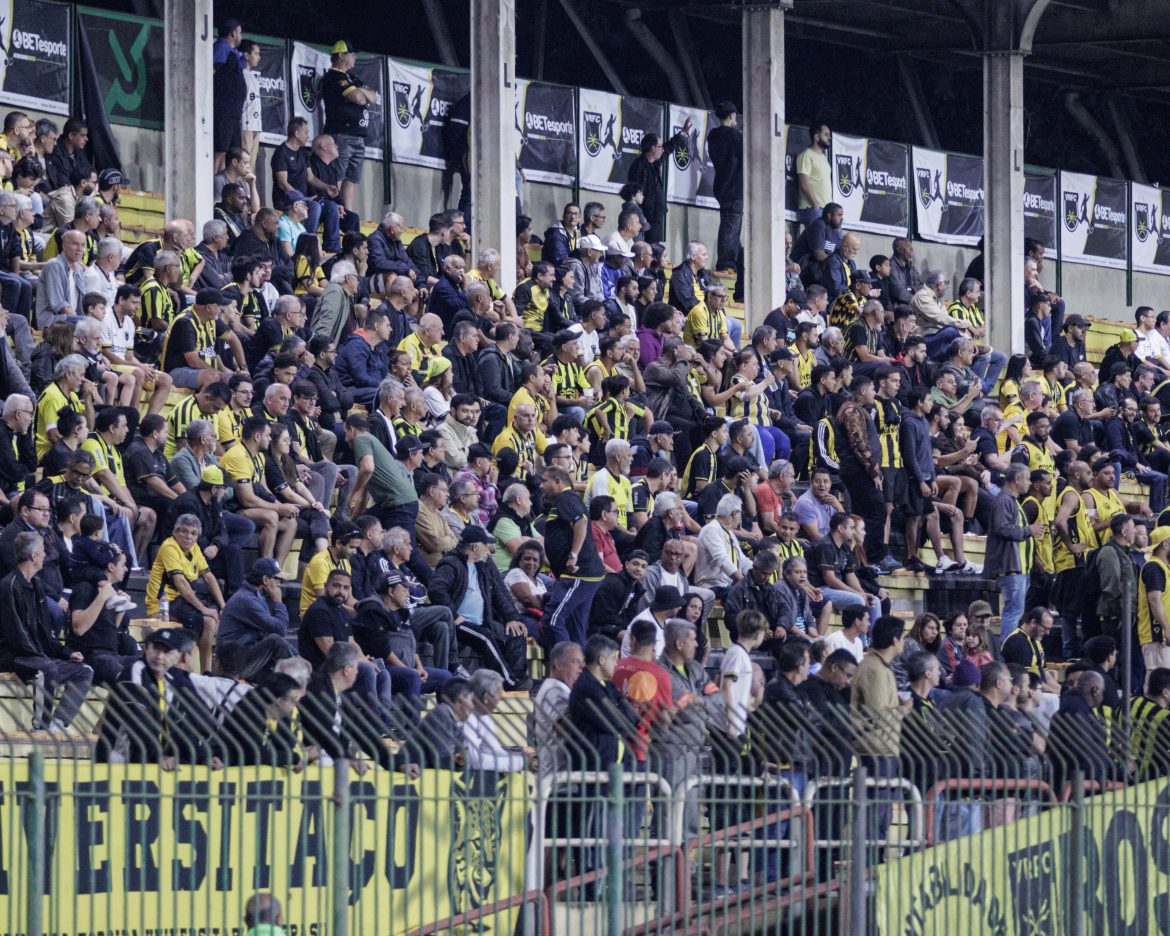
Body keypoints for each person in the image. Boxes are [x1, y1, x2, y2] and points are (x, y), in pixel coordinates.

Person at [428, 525, 529, 690]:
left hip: (483, 621)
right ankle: (509, 682)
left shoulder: (485, 563)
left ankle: (518, 680)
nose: (489, 550)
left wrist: (511, 617)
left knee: (515, 633)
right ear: (475, 547)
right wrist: (453, 615)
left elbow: (499, 591)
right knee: (485, 637)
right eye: (486, 545)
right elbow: (436, 589)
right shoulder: (451, 563)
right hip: (458, 624)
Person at [851, 615, 906, 844]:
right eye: (902, 638)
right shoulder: (873, 669)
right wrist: (906, 710)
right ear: (895, 640)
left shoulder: (880, 667)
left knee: (881, 811)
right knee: (877, 813)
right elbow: (879, 715)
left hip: (883, 747)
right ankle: (872, 863)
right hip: (876, 749)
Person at [146, 514, 225, 669]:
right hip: (163, 603)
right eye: (184, 531)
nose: (189, 537)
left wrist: (224, 607)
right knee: (208, 620)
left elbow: (209, 577)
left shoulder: (194, 548)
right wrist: (203, 609)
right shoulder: (169, 547)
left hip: (181, 600)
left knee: (212, 619)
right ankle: (200, 669)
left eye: (193, 533)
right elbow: (180, 583)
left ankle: (204, 672)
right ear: (175, 532)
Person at [539, 466, 606, 649]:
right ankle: (579, 673)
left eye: (544, 481)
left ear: (558, 481)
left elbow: (581, 522)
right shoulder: (567, 499)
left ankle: (568, 665)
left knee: (553, 619)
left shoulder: (565, 497)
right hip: (586, 574)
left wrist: (572, 555)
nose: (540, 486)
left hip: (578, 574)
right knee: (576, 627)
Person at [215, 557, 295, 681]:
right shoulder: (247, 600)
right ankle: (304, 678)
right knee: (274, 641)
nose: (280, 584)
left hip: (246, 657)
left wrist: (299, 658)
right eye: (278, 579)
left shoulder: (256, 596)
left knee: (277, 677)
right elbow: (281, 629)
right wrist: (279, 602)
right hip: (231, 666)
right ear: (265, 579)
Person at [321, 41, 378, 212]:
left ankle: (348, 213)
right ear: (341, 55)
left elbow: (373, 96)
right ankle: (333, 209)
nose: (355, 57)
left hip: (358, 135)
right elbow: (360, 99)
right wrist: (361, 93)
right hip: (341, 133)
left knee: (352, 178)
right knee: (338, 174)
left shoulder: (352, 78)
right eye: (352, 54)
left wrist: (362, 92)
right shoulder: (334, 77)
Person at [986, 464, 1042, 638]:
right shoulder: (1004, 500)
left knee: (1016, 611)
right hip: (1010, 566)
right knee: (1013, 612)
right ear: (1017, 479)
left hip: (1020, 567)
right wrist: (1029, 530)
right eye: (1027, 478)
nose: (1029, 483)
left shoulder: (1012, 500)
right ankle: (1006, 651)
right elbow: (1002, 528)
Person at [626, 118, 691, 242]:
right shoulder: (639, 166)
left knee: (655, 251)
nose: (662, 149)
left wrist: (682, 133)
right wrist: (642, 216)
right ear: (652, 148)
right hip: (645, 219)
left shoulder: (654, 163)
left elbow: (668, 148)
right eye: (660, 146)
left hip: (655, 217)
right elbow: (635, 194)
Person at [706, 101, 742, 271]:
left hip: (721, 185)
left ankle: (736, 263)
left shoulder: (713, 136)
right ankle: (726, 265)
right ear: (731, 116)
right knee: (731, 227)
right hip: (734, 187)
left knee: (731, 226)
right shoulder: (735, 137)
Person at [795, 122, 832, 230]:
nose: (829, 138)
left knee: (835, 240)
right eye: (826, 135)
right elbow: (804, 184)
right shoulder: (806, 155)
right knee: (816, 243)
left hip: (826, 210)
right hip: (812, 208)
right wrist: (815, 204)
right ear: (816, 137)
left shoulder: (824, 158)